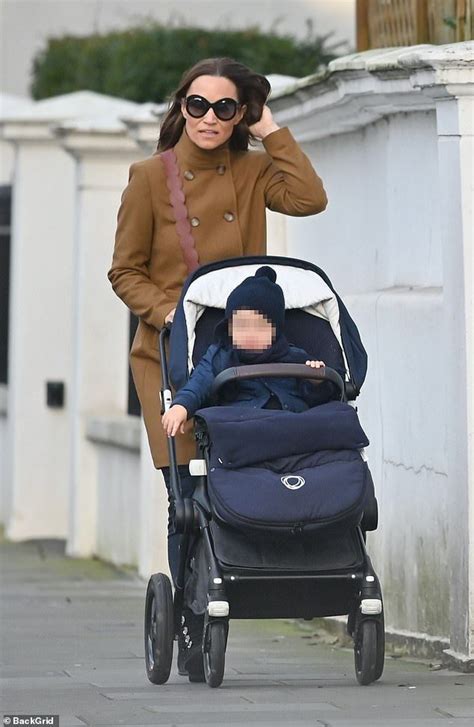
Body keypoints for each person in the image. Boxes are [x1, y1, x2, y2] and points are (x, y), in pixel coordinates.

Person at [108, 56, 328, 680]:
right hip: (172, 356)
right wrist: (176, 314)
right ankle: (188, 610)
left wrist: (270, 128)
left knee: (242, 470)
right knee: (187, 491)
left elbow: (311, 198)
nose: (209, 118)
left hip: (244, 356)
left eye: (226, 108)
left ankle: (238, 582)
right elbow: (125, 272)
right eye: (197, 105)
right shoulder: (150, 177)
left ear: (241, 115)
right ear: (181, 107)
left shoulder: (256, 171)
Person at [162, 266, 329, 438]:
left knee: (335, 415)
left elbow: (318, 399)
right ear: (230, 328)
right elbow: (198, 384)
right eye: (241, 326)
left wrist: (317, 380)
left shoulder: (294, 357)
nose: (249, 334)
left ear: (274, 330)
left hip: (294, 431)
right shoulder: (221, 356)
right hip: (243, 434)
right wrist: (181, 406)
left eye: (259, 327)